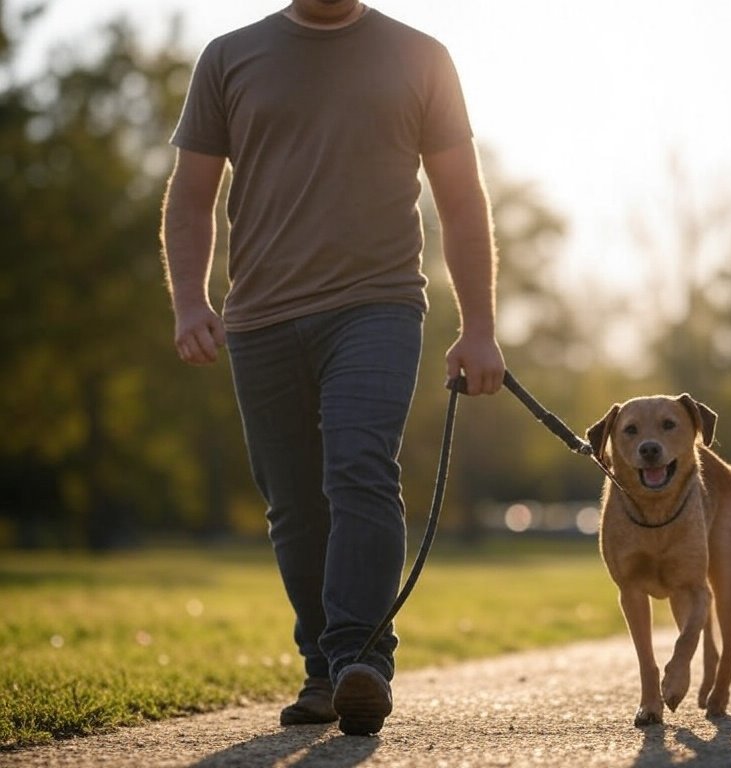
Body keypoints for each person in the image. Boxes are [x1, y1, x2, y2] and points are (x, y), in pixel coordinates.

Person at [160, 0, 504, 736]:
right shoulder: (229, 57)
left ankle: (360, 661)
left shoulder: (422, 56)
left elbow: (462, 199)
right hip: (260, 316)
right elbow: (190, 198)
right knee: (293, 503)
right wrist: (190, 301)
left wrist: (479, 327)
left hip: (376, 306)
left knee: (359, 467)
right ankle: (324, 669)